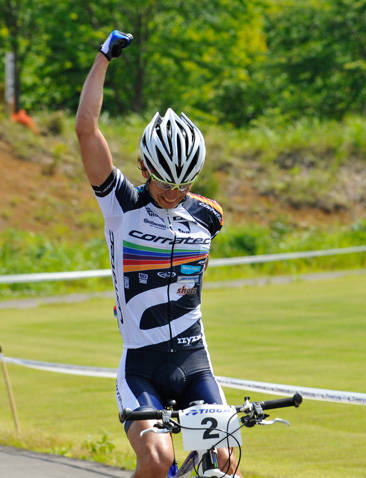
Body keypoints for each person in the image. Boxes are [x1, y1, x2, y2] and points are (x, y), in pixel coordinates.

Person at [75, 30, 242, 478]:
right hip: (142, 368)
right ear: (144, 167)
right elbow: (86, 129)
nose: (173, 193)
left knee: (226, 462)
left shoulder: (209, 217)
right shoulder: (121, 205)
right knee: (157, 458)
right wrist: (103, 58)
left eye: (183, 183)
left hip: (195, 362)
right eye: (165, 182)